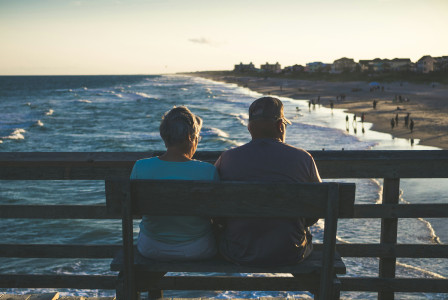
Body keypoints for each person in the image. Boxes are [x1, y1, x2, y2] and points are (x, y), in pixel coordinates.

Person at [215, 97, 322, 267]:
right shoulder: (304, 158)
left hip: (238, 252)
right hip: (290, 253)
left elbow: (215, 209)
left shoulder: (227, 158)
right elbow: (317, 209)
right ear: (280, 125)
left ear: (249, 128)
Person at [130, 106, 219, 261]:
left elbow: (135, 211)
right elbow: (218, 215)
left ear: (164, 136)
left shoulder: (140, 167)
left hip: (151, 248)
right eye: (197, 137)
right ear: (189, 137)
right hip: (197, 249)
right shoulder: (207, 171)